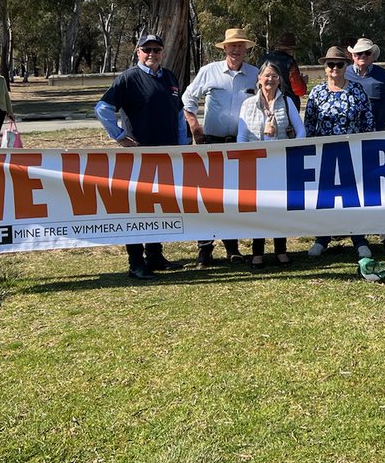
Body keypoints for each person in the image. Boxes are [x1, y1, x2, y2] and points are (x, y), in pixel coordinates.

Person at [94, 34, 188, 279]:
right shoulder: (127, 79)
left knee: (160, 208)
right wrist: (119, 136)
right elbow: (102, 108)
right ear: (138, 52)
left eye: (157, 50)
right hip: (138, 157)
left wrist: (182, 144)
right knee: (137, 210)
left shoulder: (169, 77)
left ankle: (155, 255)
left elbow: (178, 115)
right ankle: (136, 263)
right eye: (147, 50)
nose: (152, 54)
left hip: (167, 155)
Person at [183, 27, 259, 266]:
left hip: (241, 143)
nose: (236, 49)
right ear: (224, 48)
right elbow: (188, 98)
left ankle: (232, 248)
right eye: (232, 45)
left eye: (240, 45)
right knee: (209, 198)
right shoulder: (209, 71)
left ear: (246, 49)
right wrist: (195, 126)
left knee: (234, 199)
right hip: (212, 142)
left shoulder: (255, 74)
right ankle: (204, 251)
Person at [303, 45, 375, 259]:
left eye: (339, 64)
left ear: (346, 66)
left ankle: (359, 238)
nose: (335, 68)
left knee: (353, 196)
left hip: (352, 153)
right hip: (324, 153)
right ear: (325, 68)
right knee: (325, 197)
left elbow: (367, 121)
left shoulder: (356, 91)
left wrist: (366, 146)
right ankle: (323, 238)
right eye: (330, 65)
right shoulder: (316, 93)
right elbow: (309, 124)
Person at [237, 61, 305, 267]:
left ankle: (280, 250)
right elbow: (241, 136)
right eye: (266, 76)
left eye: (275, 76)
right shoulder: (248, 105)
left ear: (279, 80)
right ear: (258, 79)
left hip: (279, 163)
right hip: (255, 164)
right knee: (258, 209)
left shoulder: (286, 102)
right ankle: (257, 251)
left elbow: (300, 131)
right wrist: (247, 157)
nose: (270, 80)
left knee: (278, 208)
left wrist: (291, 150)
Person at [345, 36, 385, 131]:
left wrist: (382, 121)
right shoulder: (344, 74)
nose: (363, 55)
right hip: (350, 133)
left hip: (377, 132)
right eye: (359, 53)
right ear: (353, 55)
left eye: (367, 53)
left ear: (373, 56)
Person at [259, 32, 309, 112]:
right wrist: (303, 82)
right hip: (287, 107)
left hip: (263, 105)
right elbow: (299, 90)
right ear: (291, 49)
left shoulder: (263, 59)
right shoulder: (290, 63)